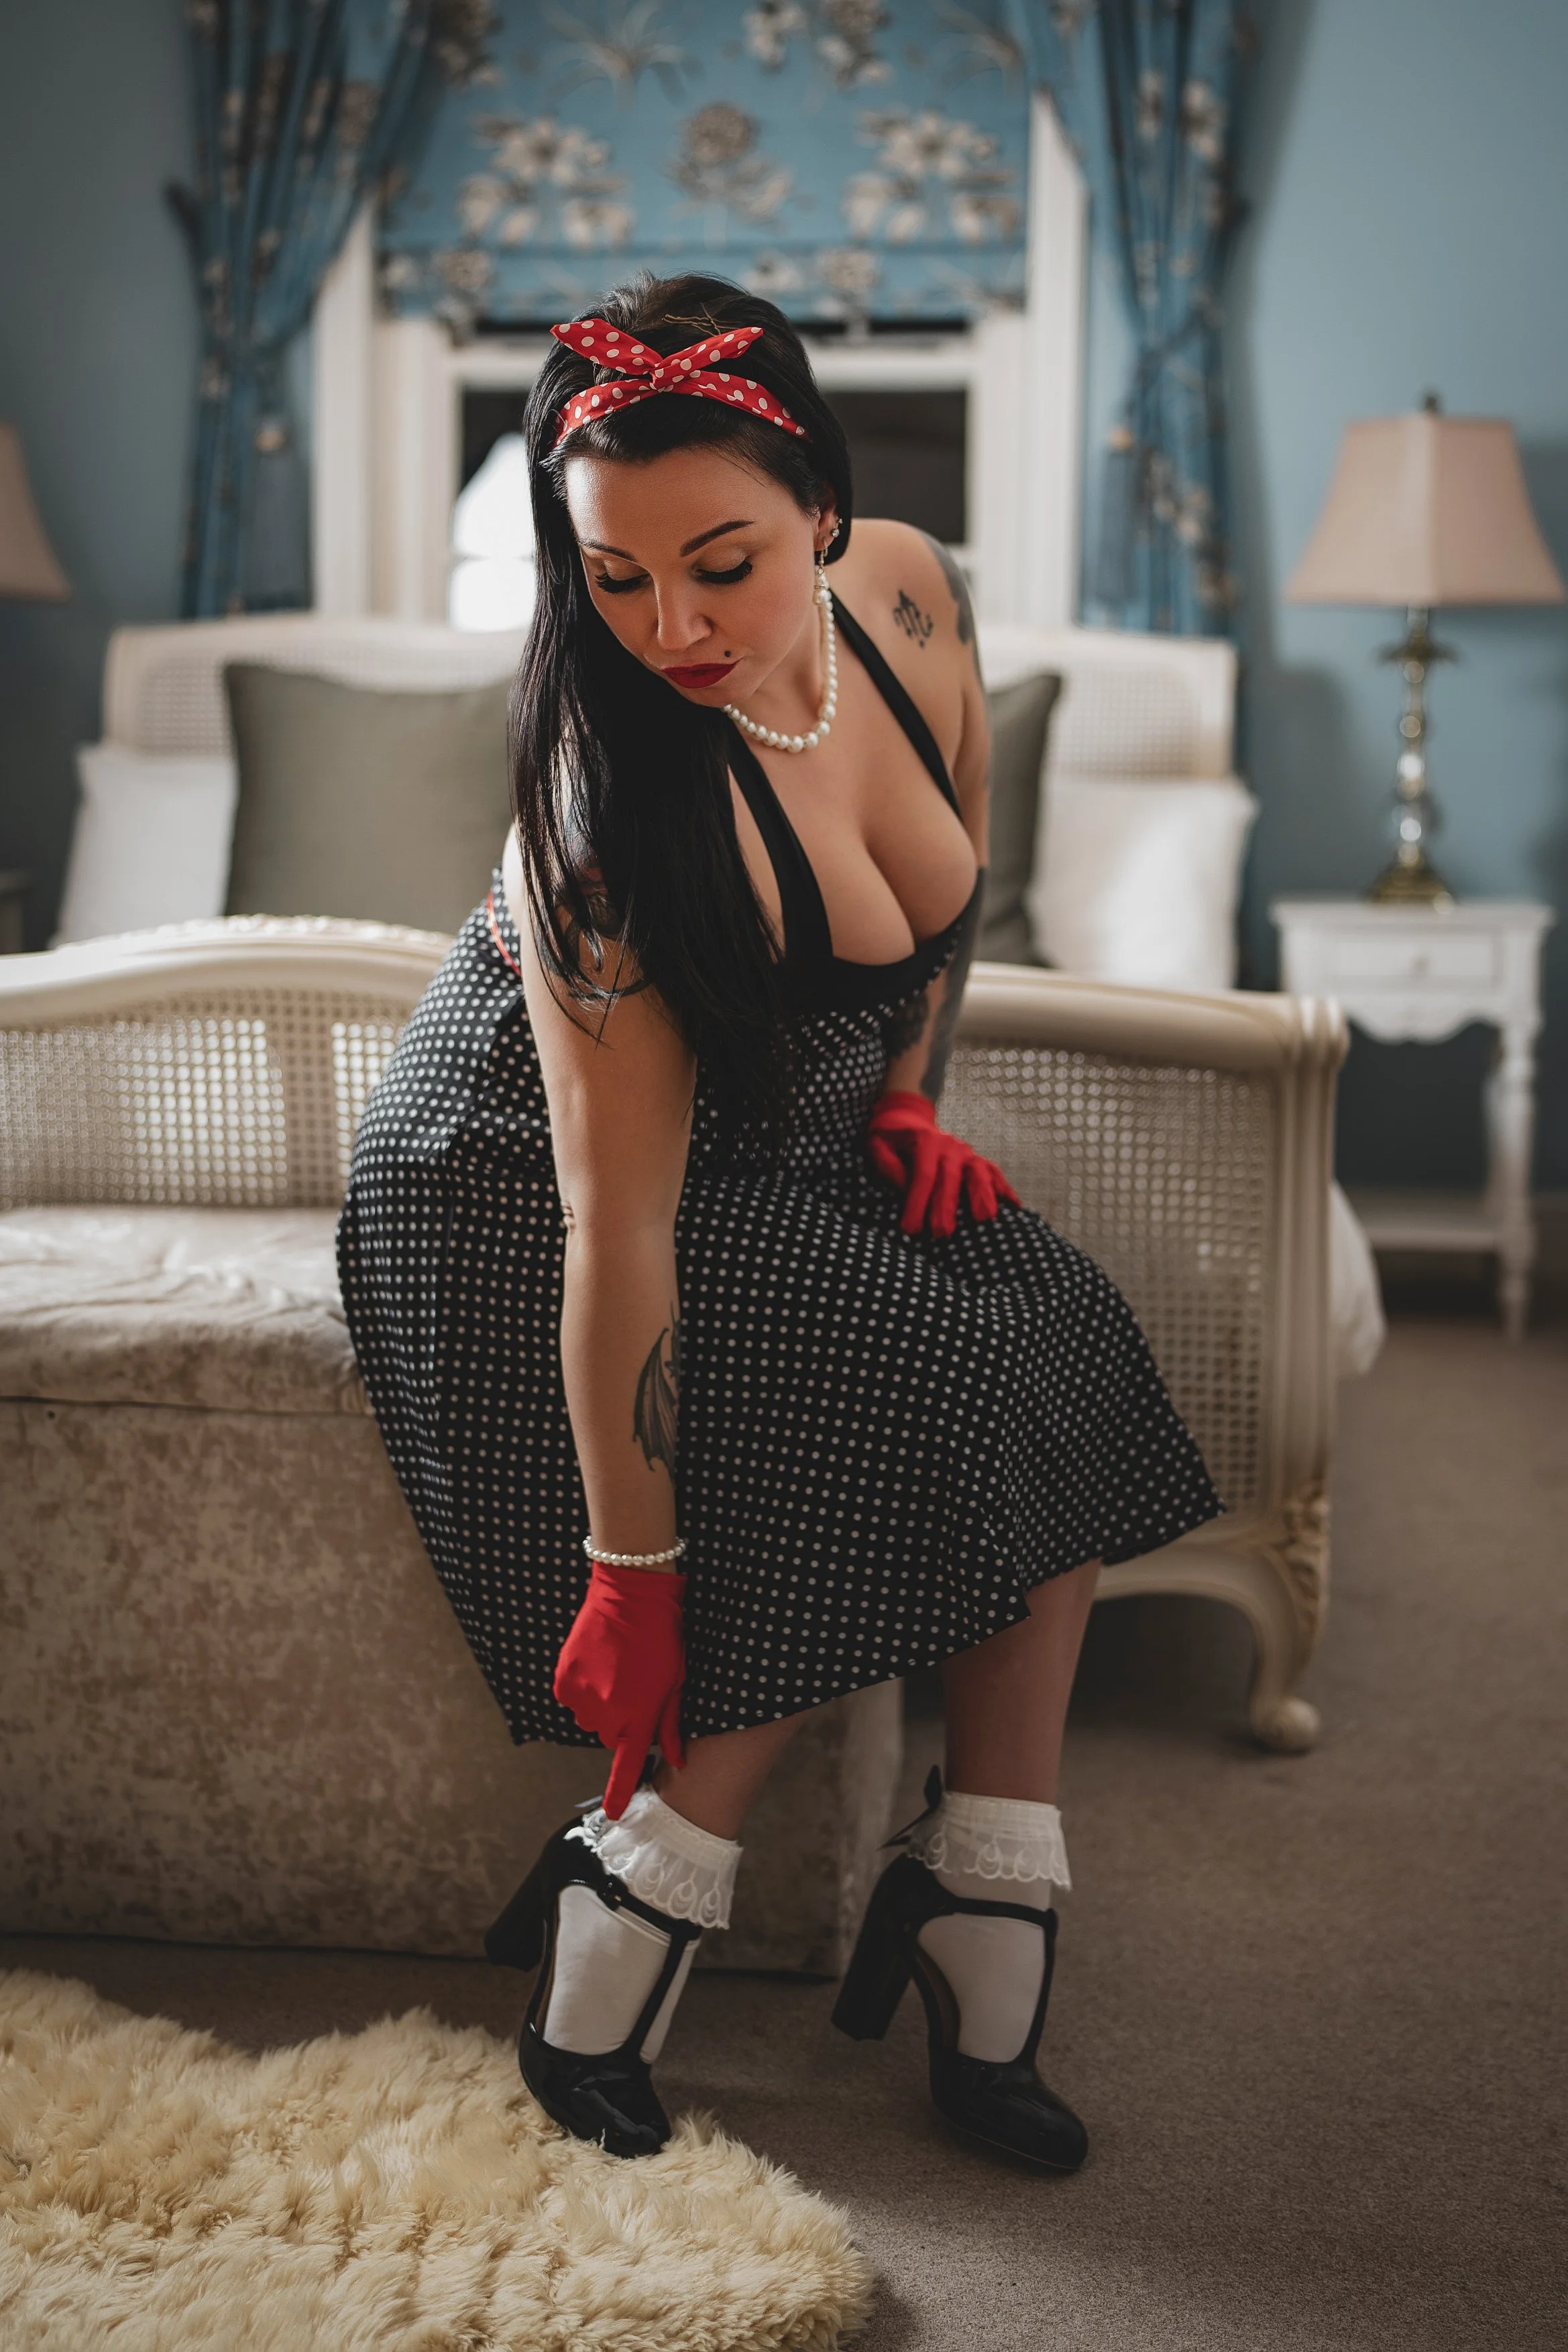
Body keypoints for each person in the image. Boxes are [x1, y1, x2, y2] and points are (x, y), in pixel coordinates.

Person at [337, 272, 1221, 2175]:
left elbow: (948, 887)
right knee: (910, 1390)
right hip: (521, 1185)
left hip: (792, 1125)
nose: (670, 628)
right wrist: (629, 1581)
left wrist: (903, 1098)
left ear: (822, 506)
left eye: (722, 562)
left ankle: (981, 1883)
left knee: (1055, 1330)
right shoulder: (610, 824)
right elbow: (620, 1230)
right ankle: (640, 1885)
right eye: (613, 578)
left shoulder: (908, 600)